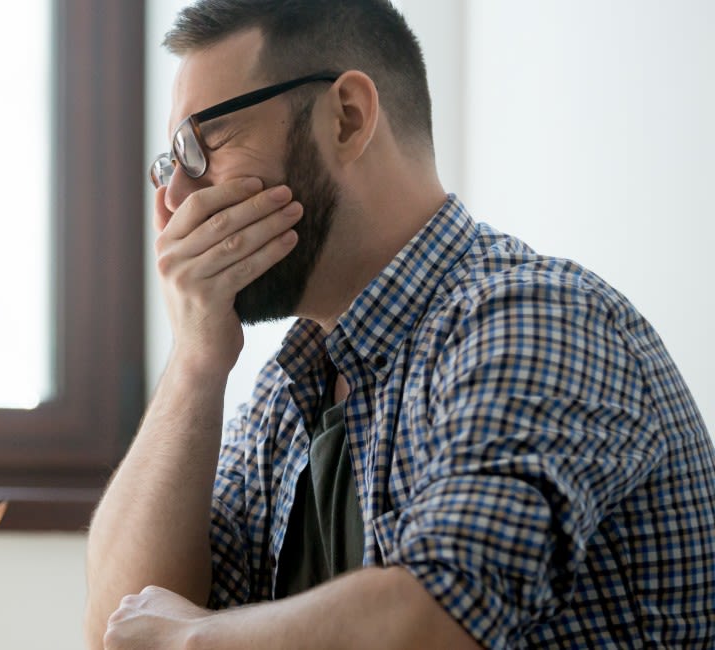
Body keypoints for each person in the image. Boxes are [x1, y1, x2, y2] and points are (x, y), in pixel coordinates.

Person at [84, 0, 715, 648]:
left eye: (204, 145)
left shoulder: (537, 320)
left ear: (348, 118)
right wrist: (194, 361)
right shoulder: (286, 395)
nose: (175, 200)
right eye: (171, 164)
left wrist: (190, 641)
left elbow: (436, 617)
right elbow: (122, 623)